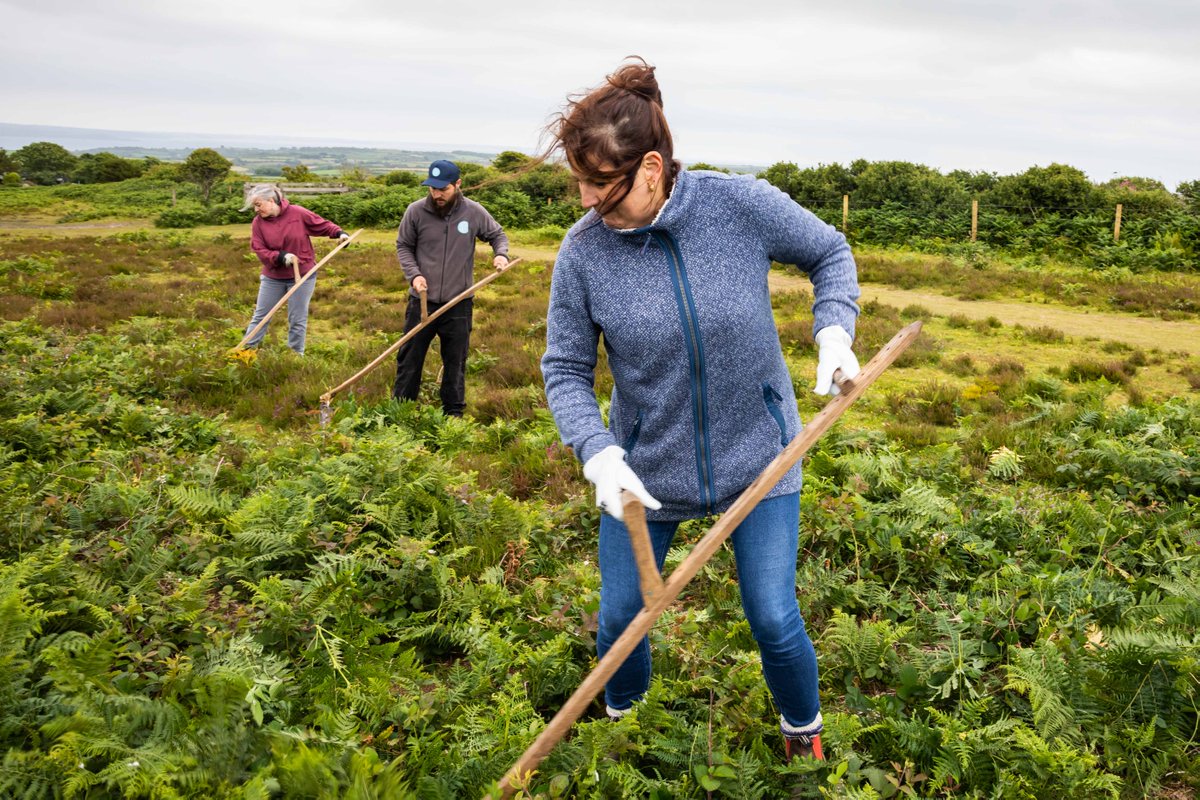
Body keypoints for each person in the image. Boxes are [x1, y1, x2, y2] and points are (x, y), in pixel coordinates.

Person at [539, 58, 862, 761]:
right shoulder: (583, 253)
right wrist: (596, 450)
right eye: (581, 182)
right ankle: (631, 732)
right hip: (643, 470)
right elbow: (564, 368)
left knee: (775, 617)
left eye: (602, 184)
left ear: (651, 168)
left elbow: (829, 253)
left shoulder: (736, 207)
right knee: (622, 618)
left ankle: (802, 742)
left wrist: (833, 328)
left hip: (761, 456)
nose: (586, 199)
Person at [393, 160, 510, 416]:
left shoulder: (474, 212)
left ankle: (453, 416)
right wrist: (414, 276)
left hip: (458, 303)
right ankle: (400, 414)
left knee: (455, 362)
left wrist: (500, 254)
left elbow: (497, 235)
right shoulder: (415, 212)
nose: (436, 194)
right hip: (421, 301)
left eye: (443, 189)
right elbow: (403, 246)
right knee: (409, 360)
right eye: (432, 188)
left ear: (458, 184)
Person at [243, 185, 349, 355]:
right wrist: (279, 257)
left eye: (258, 204)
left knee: (297, 319)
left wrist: (340, 234)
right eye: (254, 206)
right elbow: (259, 248)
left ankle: (295, 356)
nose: (256, 210)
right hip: (273, 277)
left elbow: (322, 225)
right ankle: (245, 352)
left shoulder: (298, 213)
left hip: (303, 276)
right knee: (261, 317)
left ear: (271, 201)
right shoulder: (258, 223)